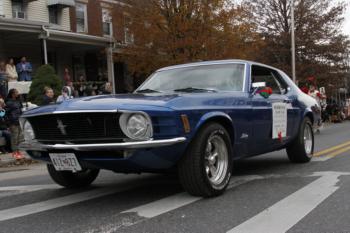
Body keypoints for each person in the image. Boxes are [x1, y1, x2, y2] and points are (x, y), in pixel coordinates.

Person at [5, 89, 24, 159]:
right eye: (16, 92)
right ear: (13, 94)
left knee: (19, 137)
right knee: (14, 137)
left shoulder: (18, 101)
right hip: (13, 122)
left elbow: (21, 110)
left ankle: (18, 151)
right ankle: (14, 152)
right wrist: (8, 122)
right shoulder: (9, 103)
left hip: (19, 121)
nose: (18, 93)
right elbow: (5, 113)